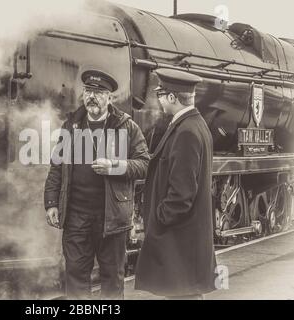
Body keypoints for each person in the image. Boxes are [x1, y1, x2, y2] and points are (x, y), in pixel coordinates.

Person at [44, 70, 149, 299]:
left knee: (112, 278)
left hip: (111, 217)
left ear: (110, 98)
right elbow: (56, 167)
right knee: (75, 275)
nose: (92, 97)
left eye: (99, 93)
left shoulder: (126, 127)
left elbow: (143, 164)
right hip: (76, 216)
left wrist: (115, 167)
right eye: (88, 91)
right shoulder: (71, 125)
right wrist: (51, 203)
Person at [135, 69, 218, 300]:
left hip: (179, 239)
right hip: (185, 239)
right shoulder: (195, 125)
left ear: (172, 97)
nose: (159, 100)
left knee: (183, 296)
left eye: (161, 94)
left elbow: (182, 194)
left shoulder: (186, 132)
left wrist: (159, 217)